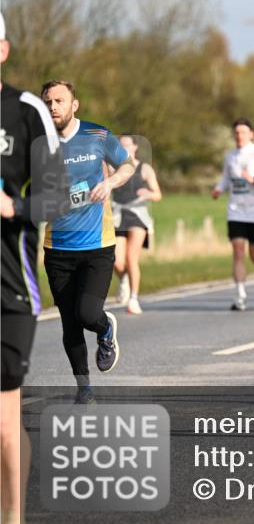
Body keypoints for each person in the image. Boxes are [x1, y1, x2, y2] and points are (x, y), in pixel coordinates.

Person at [0, 13, 68, 524]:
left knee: (3, 421)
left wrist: (12, 206)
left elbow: (54, 196)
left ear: (3, 49)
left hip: (8, 289)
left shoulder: (26, 114)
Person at [42, 80, 136, 404]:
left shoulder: (97, 135)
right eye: (48, 102)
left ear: (74, 105)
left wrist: (109, 182)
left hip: (96, 245)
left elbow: (128, 165)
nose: (53, 107)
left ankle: (105, 326)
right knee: (69, 324)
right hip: (56, 248)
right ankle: (84, 389)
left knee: (86, 313)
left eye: (59, 100)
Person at [211, 118, 254, 311]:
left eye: (243, 132)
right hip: (236, 211)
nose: (239, 136)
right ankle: (240, 294)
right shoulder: (230, 156)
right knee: (238, 251)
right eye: (236, 133)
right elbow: (225, 178)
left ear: (251, 134)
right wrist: (218, 189)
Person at [111, 135, 161, 314]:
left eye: (127, 145)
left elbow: (158, 194)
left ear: (134, 148)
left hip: (137, 216)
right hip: (118, 214)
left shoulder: (144, 168)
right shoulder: (113, 167)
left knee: (132, 258)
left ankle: (133, 299)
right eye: (120, 145)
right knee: (117, 261)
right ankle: (123, 279)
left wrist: (148, 193)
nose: (123, 147)